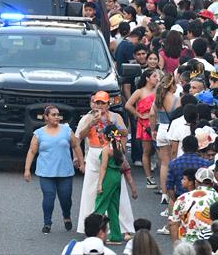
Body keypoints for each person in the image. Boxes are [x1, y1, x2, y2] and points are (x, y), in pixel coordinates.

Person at [23, 103, 84, 234]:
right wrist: (27, 169)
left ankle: (66, 216)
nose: (57, 117)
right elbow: (32, 151)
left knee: (66, 198)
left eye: (58, 115)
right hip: (46, 172)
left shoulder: (67, 130)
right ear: (46, 117)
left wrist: (81, 162)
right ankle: (47, 223)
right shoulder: (39, 133)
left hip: (65, 172)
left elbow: (76, 146)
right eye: (53, 115)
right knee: (49, 197)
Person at [93, 123, 136, 244]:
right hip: (117, 176)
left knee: (100, 205)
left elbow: (104, 167)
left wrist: (100, 184)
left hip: (109, 176)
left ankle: (95, 234)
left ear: (106, 136)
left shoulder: (107, 149)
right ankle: (116, 236)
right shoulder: (119, 148)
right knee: (113, 207)